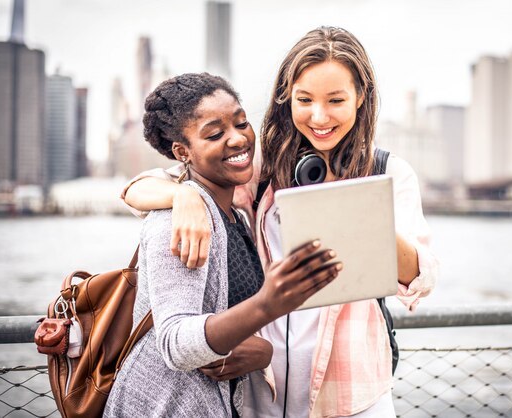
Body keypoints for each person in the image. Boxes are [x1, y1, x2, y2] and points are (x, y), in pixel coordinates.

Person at [122, 27, 438, 417]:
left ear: (361, 96)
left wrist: (358, 210)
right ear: (287, 97)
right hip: (262, 393)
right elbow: (136, 189)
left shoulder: (387, 172)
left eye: (336, 100)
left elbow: (420, 277)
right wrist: (183, 195)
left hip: (354, 395)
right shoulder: (263, 167)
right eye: (304, 100)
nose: (318, 116)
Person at [104, 72, 342, 418]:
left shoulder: (238, 219)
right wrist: (266, 305)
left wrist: (263, 352)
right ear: (182, 151)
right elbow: (175, 344)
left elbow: (228, 328)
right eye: (215, 134)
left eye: (242, 124)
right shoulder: (177, 221)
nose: (237, 139)